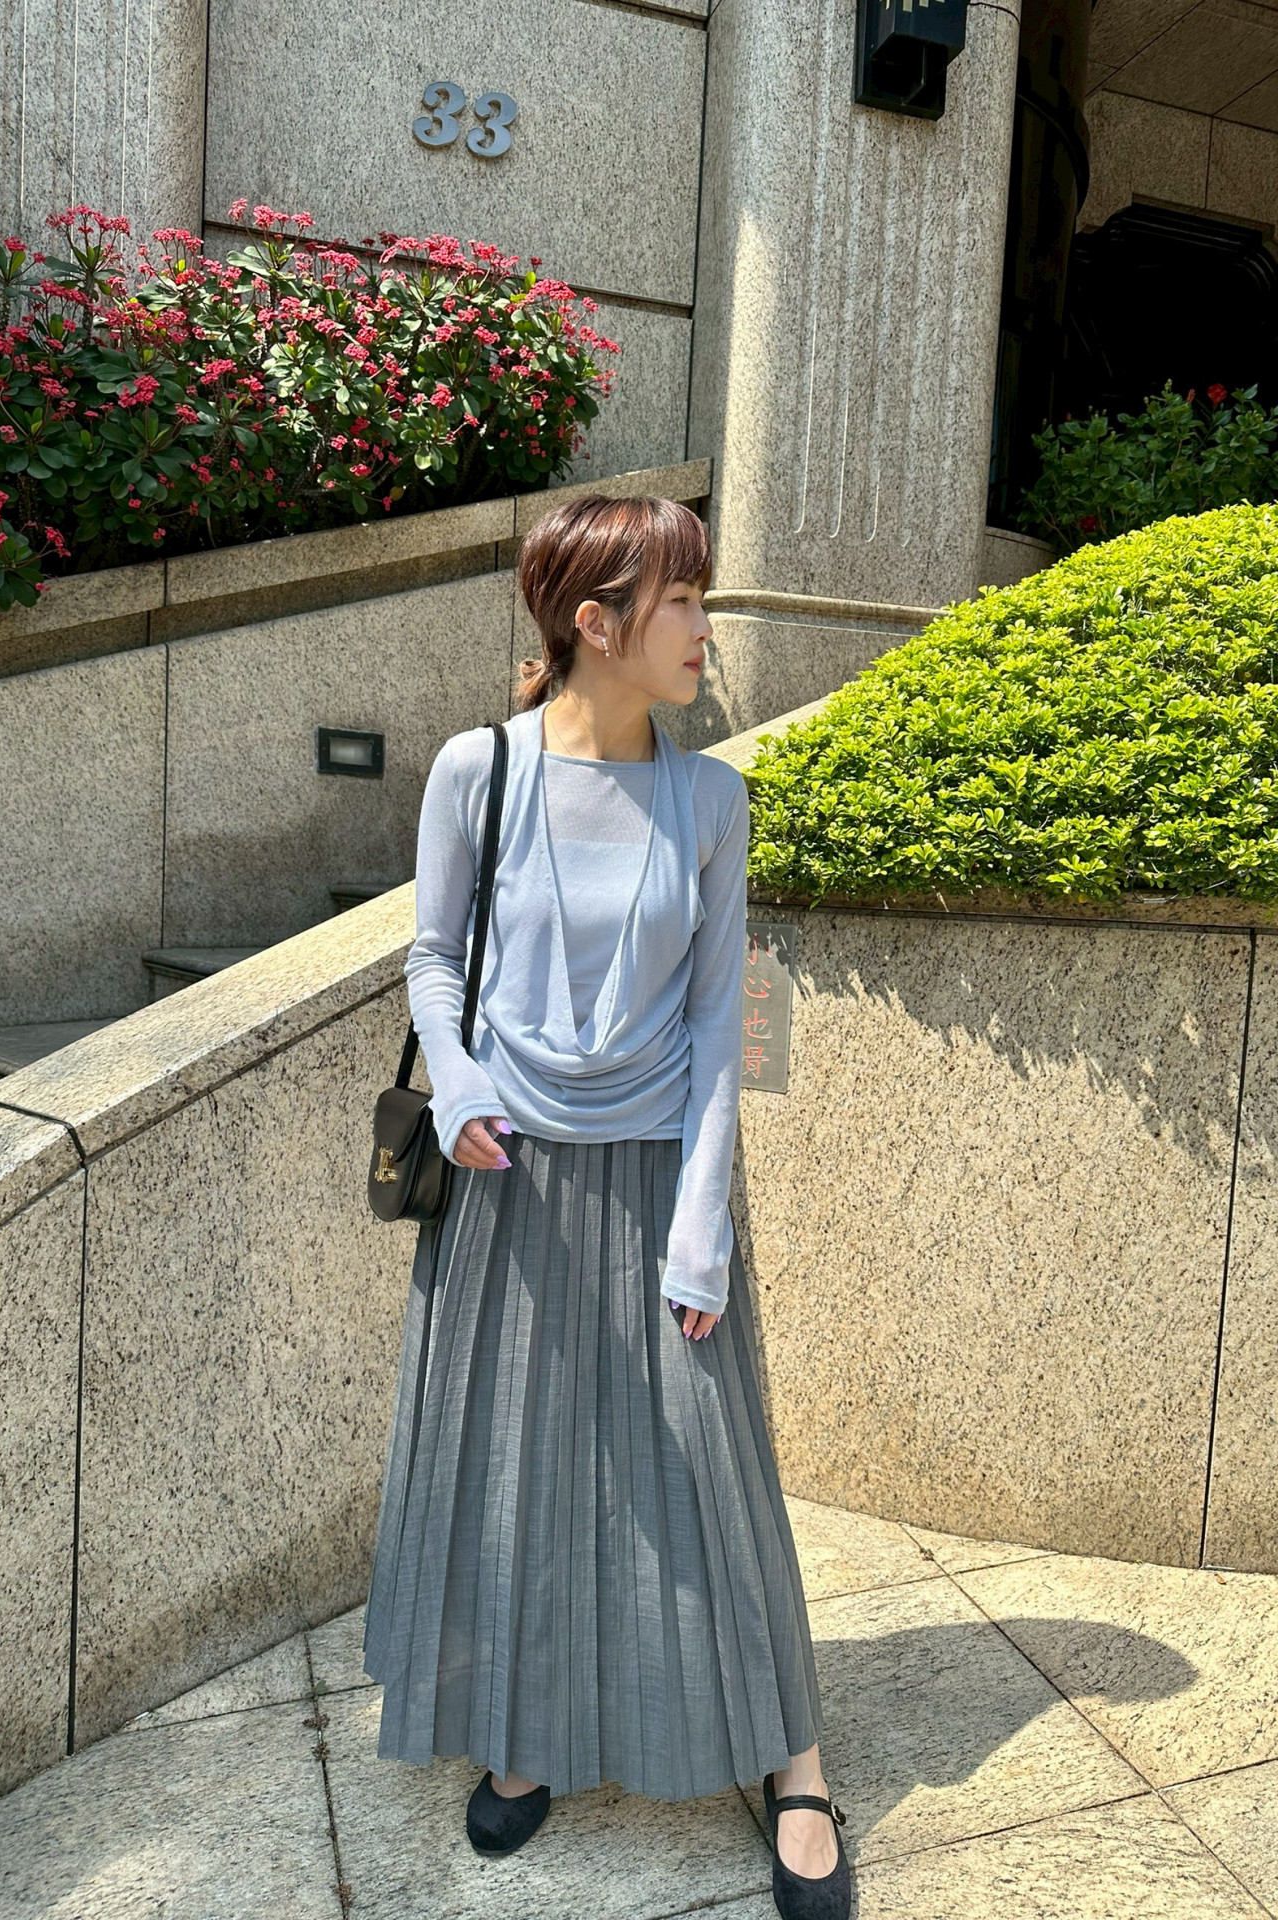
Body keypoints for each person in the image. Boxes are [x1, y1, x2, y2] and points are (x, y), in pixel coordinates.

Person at [362, 494, 851, 1918]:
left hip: (657, 1172)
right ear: (596, 621)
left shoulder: (712, 801)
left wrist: (704, 1222)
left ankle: (798, 1764)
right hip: (506, 1175)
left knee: (712, 1469)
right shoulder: (479, 770)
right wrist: (459, 1083)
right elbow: (431, 958)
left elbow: (720, 1027)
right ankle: (529, 1734)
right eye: (683, 601)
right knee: (520, 1462)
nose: (706, 629)